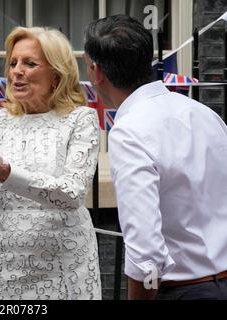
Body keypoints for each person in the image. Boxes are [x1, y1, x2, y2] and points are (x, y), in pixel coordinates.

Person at [0, 26, 102, 300]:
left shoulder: (81, 119)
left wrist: (8, 174)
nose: (17, 70)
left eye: (30, 63)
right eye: (13, 62)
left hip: (66, 264)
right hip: (9, 264)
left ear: (56, 74)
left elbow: (72, 193)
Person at [83, 14, 227, 300]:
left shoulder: (128, 132)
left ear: (97, 72)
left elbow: (145, 255)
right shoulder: (204, 113)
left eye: (86, 66)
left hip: (187, 291)